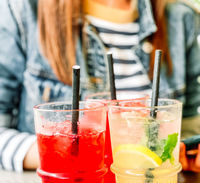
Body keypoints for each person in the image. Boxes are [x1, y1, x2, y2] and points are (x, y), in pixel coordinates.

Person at [0, 0, 200, 172]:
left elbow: (189, 129)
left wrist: (188, 153)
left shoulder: (181, 18)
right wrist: (60, 153)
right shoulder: (21, 11)